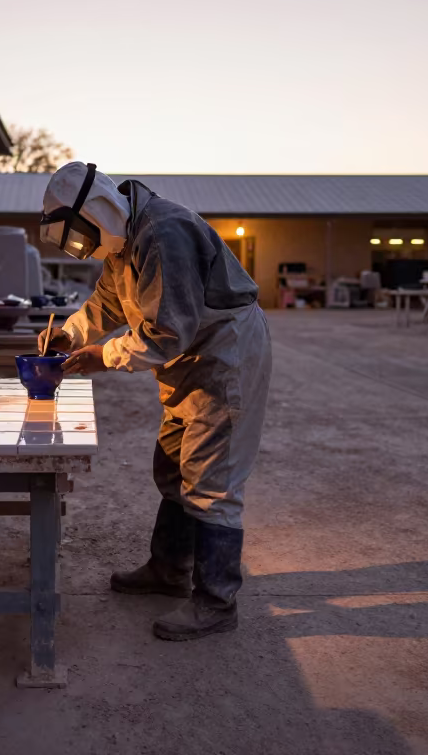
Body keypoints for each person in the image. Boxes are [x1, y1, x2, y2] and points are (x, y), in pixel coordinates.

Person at [38, 162, 272, 641]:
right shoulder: (125, 240)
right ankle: (169, 570)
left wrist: (102, 355)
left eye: (80, 239)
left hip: (222, 357)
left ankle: (215, 601)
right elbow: (107, 303)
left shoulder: (164, 234)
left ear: (98, 211)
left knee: (212, 484)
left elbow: (167, 332)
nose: (83, 251)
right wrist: (70, 334)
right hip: (190, 362)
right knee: (171, 467)